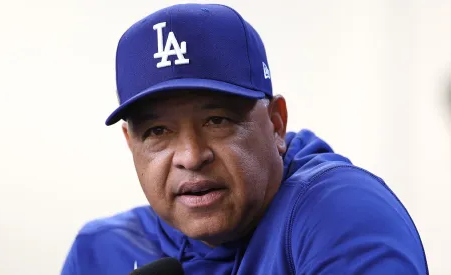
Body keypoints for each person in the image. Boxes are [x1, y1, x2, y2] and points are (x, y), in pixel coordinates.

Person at [61, 3, 428, 274]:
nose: (191, 156)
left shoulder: (340, 212)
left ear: (276, 124)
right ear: (131, 143)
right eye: (158, 132)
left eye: (216, 120)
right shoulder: (101, 252)